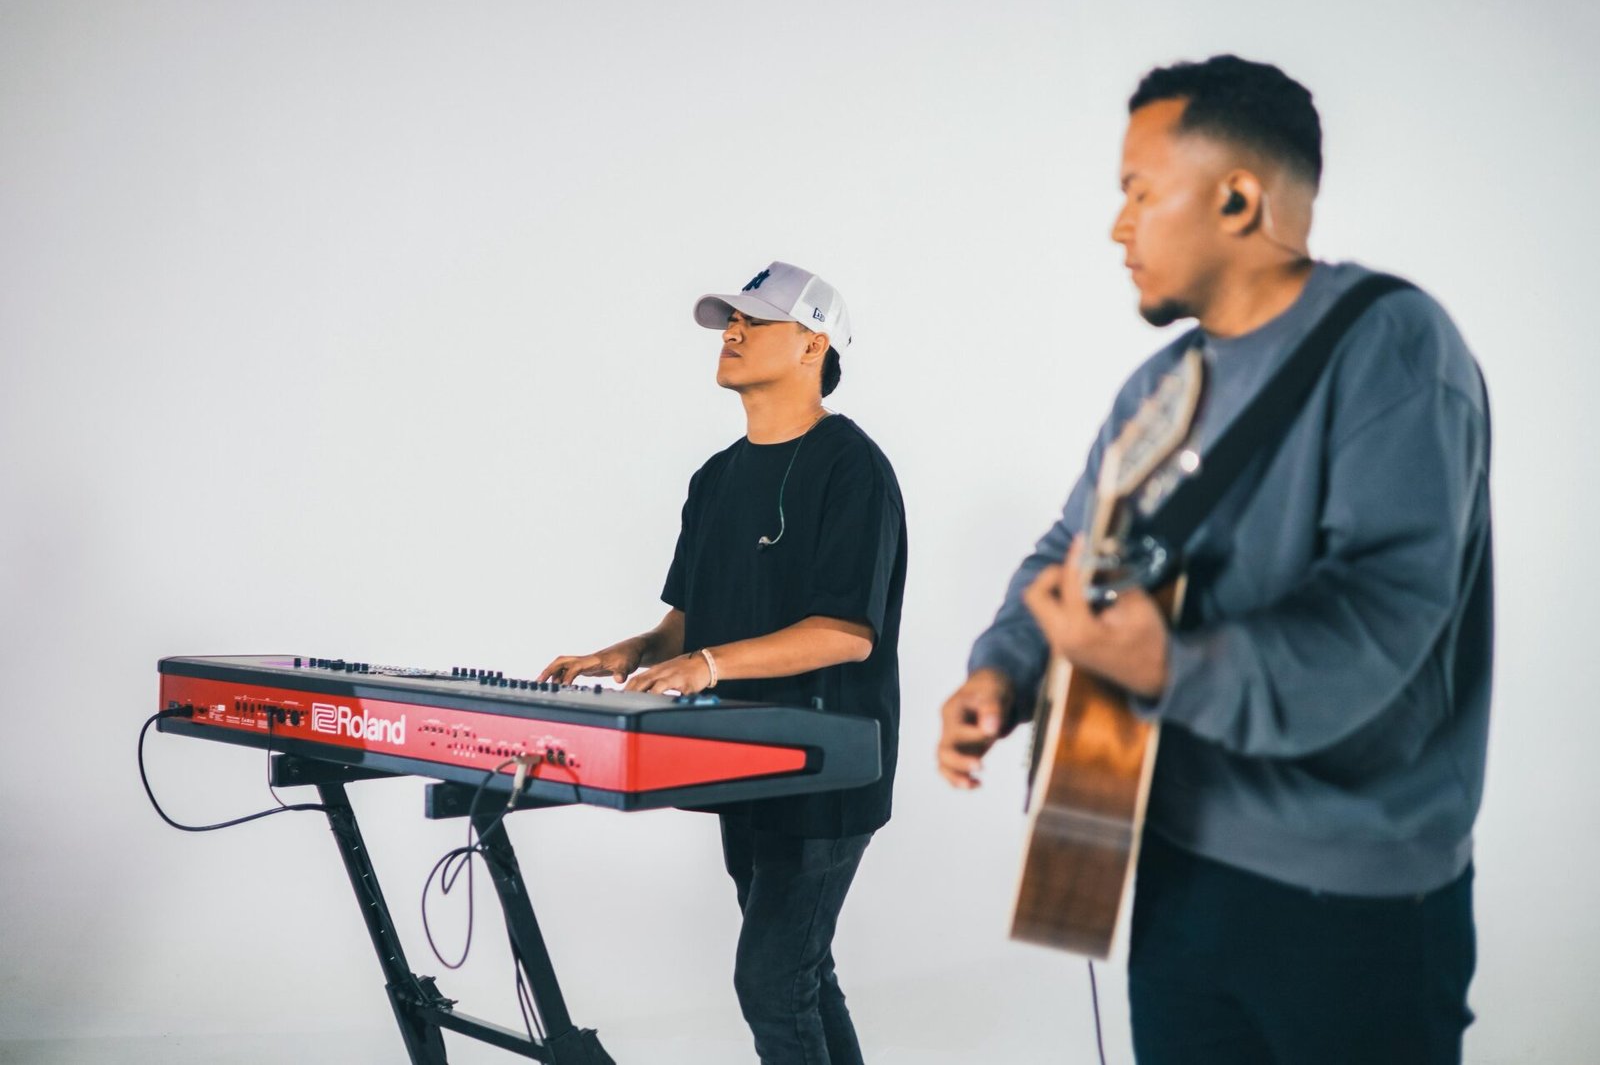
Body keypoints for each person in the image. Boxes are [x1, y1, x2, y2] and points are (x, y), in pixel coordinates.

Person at [936, 55, 1491, 1065]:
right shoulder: (1160, 385)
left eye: (1139, 192)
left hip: (1350, 899)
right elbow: (1071, 547)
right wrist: (1003, 669)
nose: (1118, 227)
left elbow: (1382, 617)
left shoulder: (1393, 344)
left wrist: (1170, 666)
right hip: (1171, 864)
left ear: (1238, 198)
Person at [540, 261, 906, 1065]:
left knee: (772, 982)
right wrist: (632, 650)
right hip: (743, 761)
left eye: (755, 320)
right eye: (730, 320)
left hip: (827, 769)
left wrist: (706, 664)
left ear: (813, 344)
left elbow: (848, 632)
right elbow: (689, 619)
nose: (732, 331)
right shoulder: (714, 479)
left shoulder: (853, 467)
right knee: (800, 974)